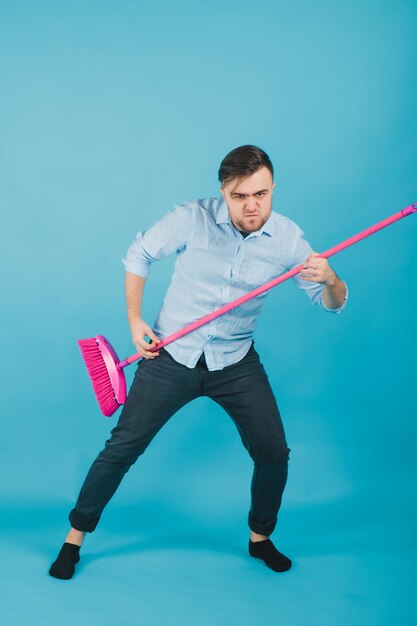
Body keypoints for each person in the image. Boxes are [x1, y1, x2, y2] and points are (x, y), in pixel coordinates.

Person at [49, 145, 348, 579]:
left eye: (261, 194)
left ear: (273, 188)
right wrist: (134, 320)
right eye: (240, 196)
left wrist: (331, 279)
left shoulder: (289, 240)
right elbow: (139, 254)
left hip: (236, 362)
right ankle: (73, 539)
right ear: (223, 192)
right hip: (171, 355)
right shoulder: (191, 218)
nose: (252, 205)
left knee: (273, 453)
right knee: (122, 448)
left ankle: (260, 538)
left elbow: (330, 304)